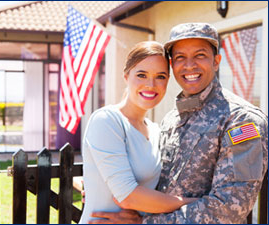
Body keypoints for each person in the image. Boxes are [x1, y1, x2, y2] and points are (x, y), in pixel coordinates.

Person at [89, 23, 268, 224]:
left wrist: (145, 223)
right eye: (180, 57)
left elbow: (231, 208)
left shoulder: (241, 120)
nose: (189, 65)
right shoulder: (170, 120)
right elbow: (156, 186)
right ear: (173, 64)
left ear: (216, 61)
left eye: (200, 55)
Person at [79, 41, 197, 224]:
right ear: (126, 76)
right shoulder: (107, 120)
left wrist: (142, 218)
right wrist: (196, 203)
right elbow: (127, 196)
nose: (151, 84)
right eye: (141, 75)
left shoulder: (156, 131)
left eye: (160, 76)